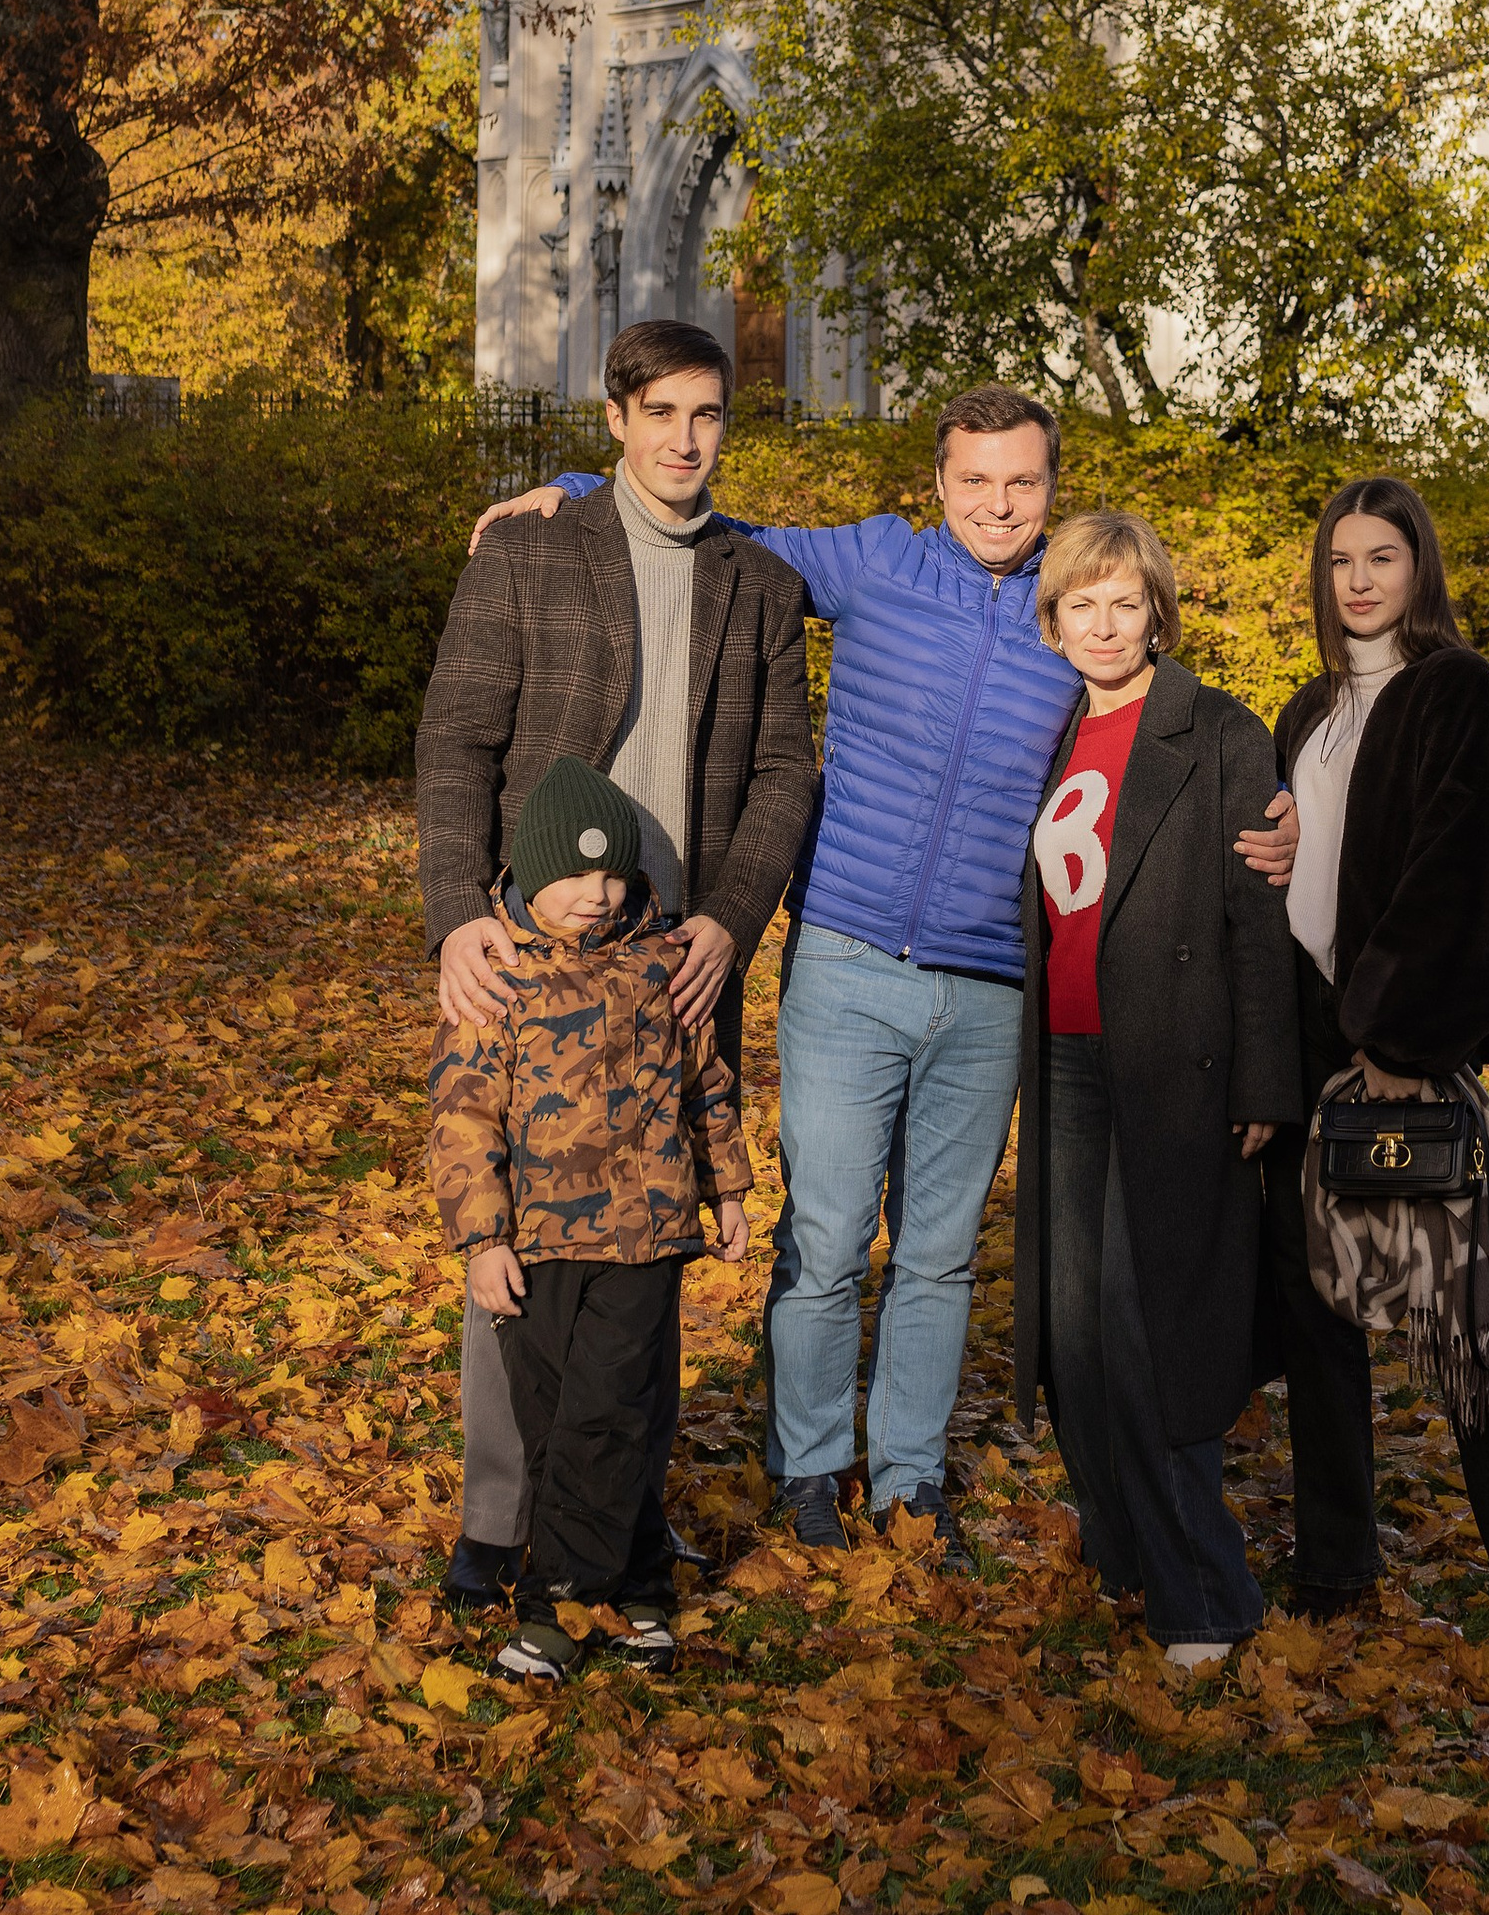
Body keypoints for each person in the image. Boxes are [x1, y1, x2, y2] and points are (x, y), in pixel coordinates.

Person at [470, 386, 1300, 1558]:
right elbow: (717, 527)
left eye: (1022, 482)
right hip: (848, 958)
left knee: (939, 1253)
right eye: (976, 481)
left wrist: (1277, 813)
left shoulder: (1066, 616)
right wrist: (584, 490)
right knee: (822, 1237)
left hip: (990, 984)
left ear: (1050, 486)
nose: (999, 504)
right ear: (939, 481)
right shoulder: (873, 563)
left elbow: (1160, 732)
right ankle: (808, 1467)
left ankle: (910, 1474)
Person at [417, 318, 816, 1608]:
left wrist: (728, 922)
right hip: (532, 946)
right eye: (662, 415)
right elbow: (456, 744)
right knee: (516, 1245)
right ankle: (498, 1518)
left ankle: (619, 1521)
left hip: (673, 959)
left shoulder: (756, 581)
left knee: (645, 1261)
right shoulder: (530, 551)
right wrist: (454, 915)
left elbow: (780, 772)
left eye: (707, 417)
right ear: (616, 419)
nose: (685, 441)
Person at [1261, 476, 1489, 1635]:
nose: (1358, 578)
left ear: (1418, 569)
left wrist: (1403, 1039)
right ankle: (1337, 1571)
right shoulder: (1306, 711)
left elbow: (1488, 867)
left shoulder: (1455, 691)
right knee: (1316, 1319)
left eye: (1382, 556)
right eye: (1341, 557)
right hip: (1306, 1047)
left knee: (1465, 1321)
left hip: (1402, 1051)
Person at [1012, 513, 1300, 1668]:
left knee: (1148, 1332)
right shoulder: (1046, 733)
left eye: (1123, 602)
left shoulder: (1216, 729)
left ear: (1156, 613)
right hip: (1067, 1062)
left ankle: (1207, 1595)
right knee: (1071, 1332)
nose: (1102, 623)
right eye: (1081, 603)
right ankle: (1126, 1551)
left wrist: (1265, 1076)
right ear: (1054, 618)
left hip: (1177, 1067)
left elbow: (1256, 917)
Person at [426, 756, 754, 1684]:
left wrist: (726, 1190)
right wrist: (483, 1242)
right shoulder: (499, 977)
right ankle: (643, 1585)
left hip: (645, 1238)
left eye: (614, 875)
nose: (598, 895)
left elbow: (707, 1087)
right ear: (533, 872)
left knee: (610, 1411)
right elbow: (460, 1118)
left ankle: (558, 1607)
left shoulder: (662, 964)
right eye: (576, 874)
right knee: (556, 1420)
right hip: (535, 1242)